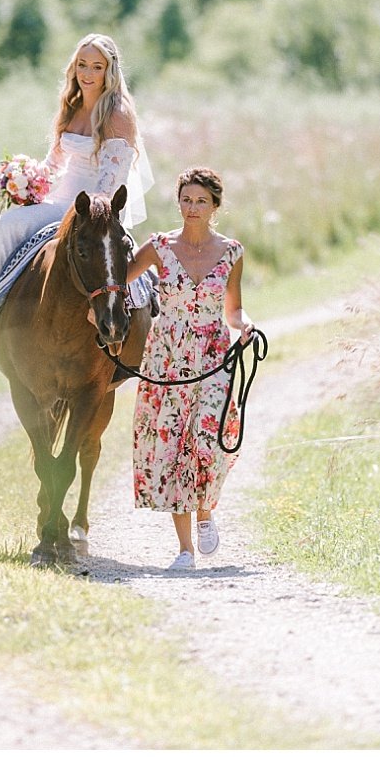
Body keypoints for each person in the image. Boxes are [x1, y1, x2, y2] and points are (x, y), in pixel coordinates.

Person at [0, 33, 153, 354]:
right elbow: (53, 164)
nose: (87, 74)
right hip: (59, 199)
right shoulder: (72, 107)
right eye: (82, 65)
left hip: (91, 211)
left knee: (10, 225)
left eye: (96, 67)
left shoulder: (117, 113)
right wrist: (27, 179)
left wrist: (86, 214)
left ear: (110, 71)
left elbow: (111, 183)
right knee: (10, 225)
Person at [124, 167, 254, 570]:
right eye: (186, 199)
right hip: (168, 354)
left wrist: (245, 326)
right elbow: (117, 283)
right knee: (172, 443)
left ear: (215, 206)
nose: (192, 208)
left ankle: (205, 512)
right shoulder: (158, 247)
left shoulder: (232, 252)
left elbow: (233, 310)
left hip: (213, 352)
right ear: (178, 202)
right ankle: (184, 550)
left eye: (201, 201)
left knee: (208, 439)